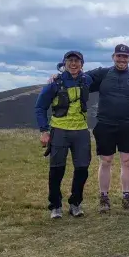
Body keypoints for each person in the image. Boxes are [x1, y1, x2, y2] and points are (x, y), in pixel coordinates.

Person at [86, 43, 129, 212]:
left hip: (128, 125)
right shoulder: (102, 74)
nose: (122, 59)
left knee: (127, 161)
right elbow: (80, 79)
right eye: (119, 56)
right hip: (106, 124)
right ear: (113, 57)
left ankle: (127, 196)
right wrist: (57, 78)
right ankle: (104, 197)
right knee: (106, 161)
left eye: (125, 56)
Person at [35, 51, 93, 219]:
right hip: (59, 130)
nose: (73, 64)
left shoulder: (86, 80)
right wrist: (44, 130)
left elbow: (106, 72)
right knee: (56, 169)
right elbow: (40, 108)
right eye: (70, 61)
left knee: (82, 168)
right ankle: (55, 205)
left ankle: (75, 203)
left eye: (77, 61)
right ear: (64, 63)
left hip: (81, 131)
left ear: (82, 64)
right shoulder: (54, 83)